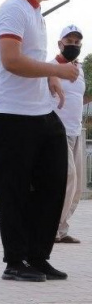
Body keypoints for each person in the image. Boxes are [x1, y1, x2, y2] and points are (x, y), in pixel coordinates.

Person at [0, 0, 75, 282]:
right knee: (14, 191)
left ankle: (38, 256)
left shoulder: (35, 12)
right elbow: (11, 60)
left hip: (41, 113)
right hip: (13, 116)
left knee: (55, 182)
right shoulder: (13, 10)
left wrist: (50, 77)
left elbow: (31, 57)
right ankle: (15, 261)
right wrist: (57, 69)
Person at [53, 25, 88, 245]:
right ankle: (50, 229)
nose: (73, 45)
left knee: (78, 186)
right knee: (67, 179)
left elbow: (77, 99)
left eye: (77, 43)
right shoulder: (50, 67)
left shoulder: (80, 70)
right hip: (58, 130)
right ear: (60, 43)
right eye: (69, 41)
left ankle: (62, 229)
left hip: (77, 130)